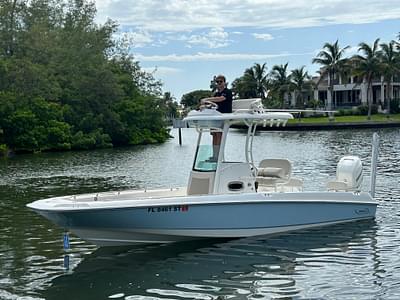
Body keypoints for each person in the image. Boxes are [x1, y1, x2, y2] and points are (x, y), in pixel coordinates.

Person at [200, 75, 233, 161]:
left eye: (220, 81)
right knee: (214, 135)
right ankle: (214, 155)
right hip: (215, 116)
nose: (219, 83)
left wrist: (207, 98)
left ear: (224, 82)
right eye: (217, 82)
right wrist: (205, 106)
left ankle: (218, 156)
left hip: (223, 116)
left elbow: (221, 99)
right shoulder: (216, 94)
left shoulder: (228, 92)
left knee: (219, 134)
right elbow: (213, 104)